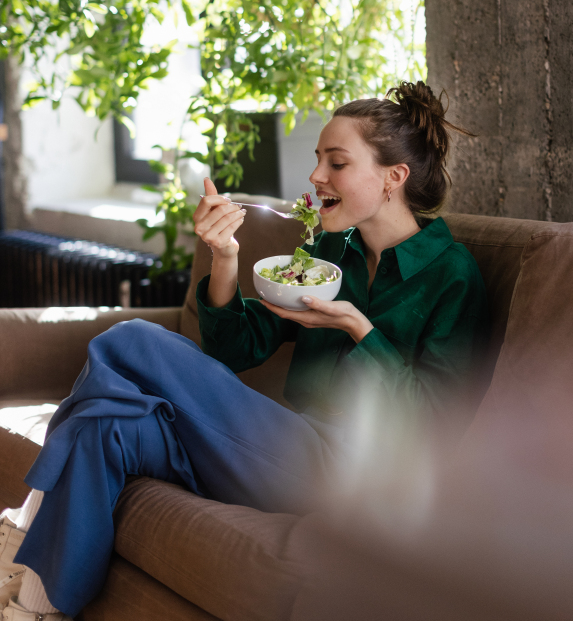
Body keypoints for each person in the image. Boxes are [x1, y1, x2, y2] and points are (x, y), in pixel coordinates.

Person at [0, 82, 488, 621]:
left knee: (129, 340)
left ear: (394, 177)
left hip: (355, 475)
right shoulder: (329, 253)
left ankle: (22, 525)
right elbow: (234, 349)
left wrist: (358, 327)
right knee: (105, 425)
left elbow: (437, 424)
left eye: (337, 162)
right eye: (317, 158)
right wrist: (225, 255)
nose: (316, 176)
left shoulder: (451, 274)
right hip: (277, 447)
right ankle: (33, 609)